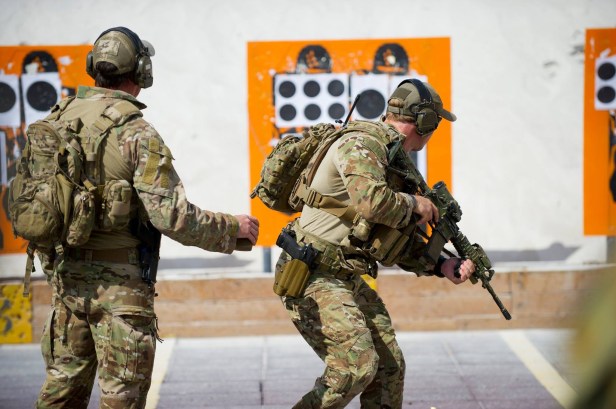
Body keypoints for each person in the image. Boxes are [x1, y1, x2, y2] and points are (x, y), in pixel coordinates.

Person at [34, 27, 259, 409]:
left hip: (66, 285)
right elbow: (171, 217)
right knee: (122, 400)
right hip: (120, 292)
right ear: (141, 70)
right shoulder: (136, 133)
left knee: (60, 396)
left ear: (93, 67)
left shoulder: (56, 122)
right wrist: (232, 228)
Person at [275, 79, 475, 408]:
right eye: (434, 123)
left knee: (388, 368)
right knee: (355, 369)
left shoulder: (392, 156)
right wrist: (416, 204)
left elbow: (390, 239)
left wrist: (442, 264)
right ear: (424, 122)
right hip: (311, 272)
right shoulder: (362, 143)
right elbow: (372, 203)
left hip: (343, 274)